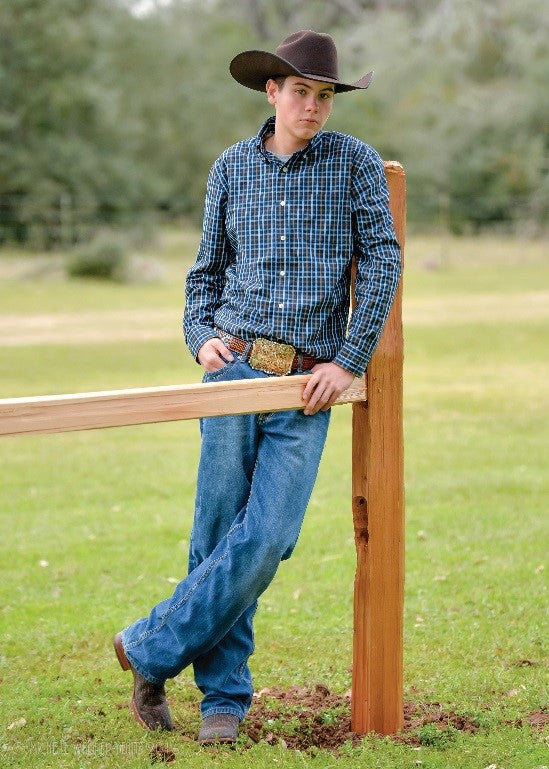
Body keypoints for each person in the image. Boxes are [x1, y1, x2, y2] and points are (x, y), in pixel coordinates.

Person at [113, 29, 401, 744]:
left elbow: (383, 267)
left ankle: (148, 646)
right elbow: (203, 275)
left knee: (268, 534)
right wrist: (198, 336)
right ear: (271, 92)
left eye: (324, 95)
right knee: (216, 531)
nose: (312, 106)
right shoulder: (231, 168)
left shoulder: (355, 166)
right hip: (231, 371)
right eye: (300, 91)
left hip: (306, 382)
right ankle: (223, 699)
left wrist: (347, 359)